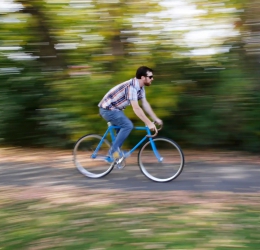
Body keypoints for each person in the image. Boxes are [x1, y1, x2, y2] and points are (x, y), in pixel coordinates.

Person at [98, 66, 163, 162]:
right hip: (107, 109)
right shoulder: (132, 87)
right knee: (128, 125)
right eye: (150, 77)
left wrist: (155, 118)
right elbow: (136, 108)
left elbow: (145, 104)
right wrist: (148, 123)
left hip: (116, 110)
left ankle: (116, 153)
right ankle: (112, 153)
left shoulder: (141, 88)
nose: (152, 78)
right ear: (142, 77)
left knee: (123, 128)